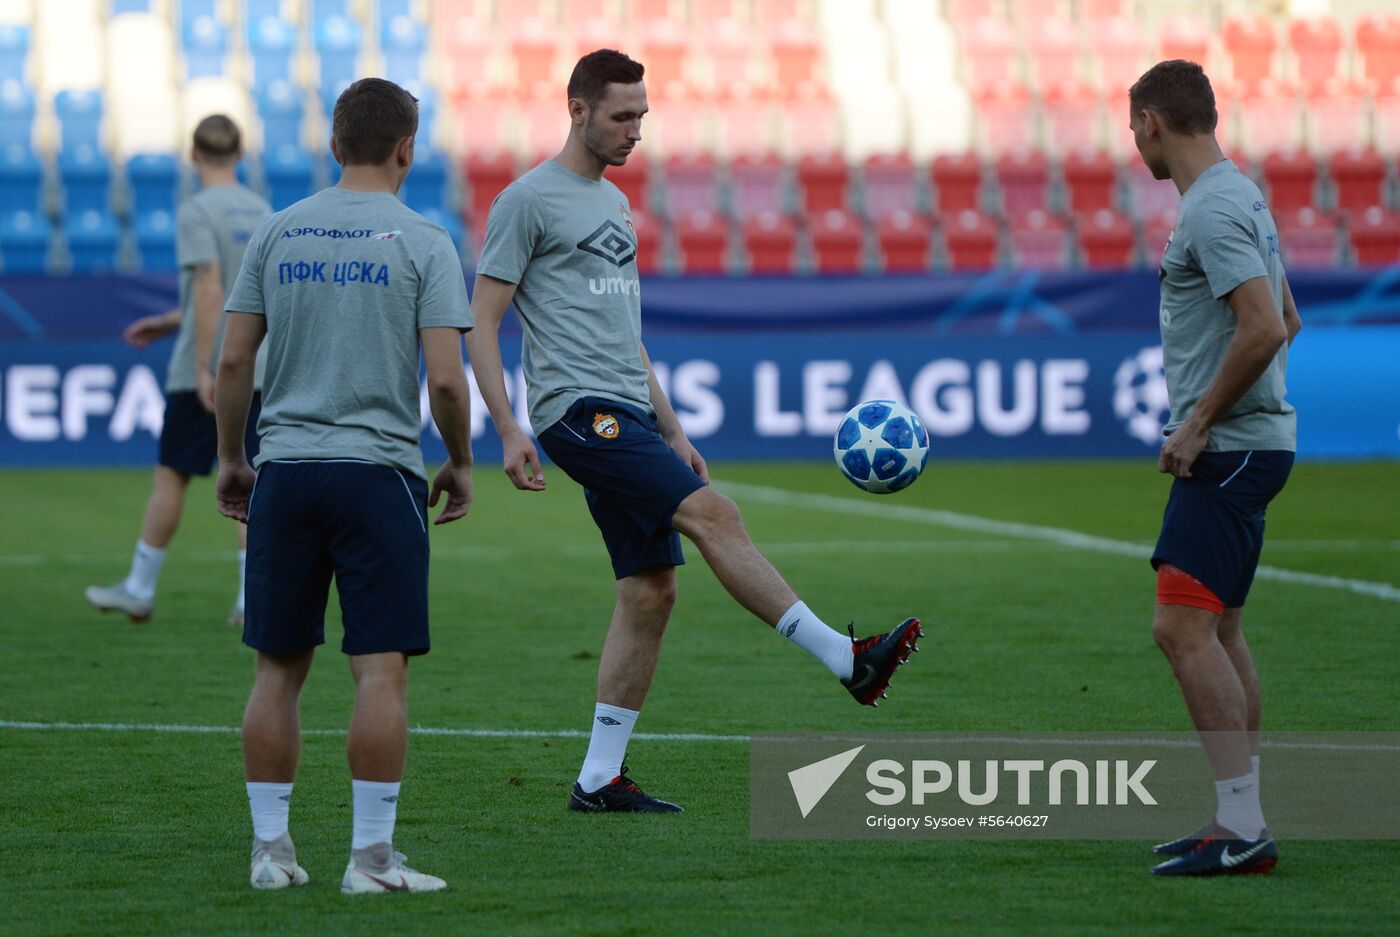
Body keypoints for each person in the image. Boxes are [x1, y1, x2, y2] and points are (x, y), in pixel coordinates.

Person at [467, 49, 923, 815]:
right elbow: (481, 320)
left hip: (628, 412)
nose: (635, 130)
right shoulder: (527, 200)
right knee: (716, 513)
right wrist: (508, 427)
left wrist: (672, 427)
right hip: (577, 412)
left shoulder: (614, 205)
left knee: (651, 590)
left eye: (642, 116)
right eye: (622, 116)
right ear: (577, 110)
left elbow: (626, 334)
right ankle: (848, 660)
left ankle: (598, 779)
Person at [215, 77, 474, 893]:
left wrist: (232, 457)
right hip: (378, 475)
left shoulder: (277, 230)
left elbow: (233, 360)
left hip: (286, 471)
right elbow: (447, 381)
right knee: (379, 669)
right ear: (407, 148)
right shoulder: (425, 239)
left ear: (333, 145)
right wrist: (461, 460)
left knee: (276, 670)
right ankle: (370, 860)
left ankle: (270, 851)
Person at [1127, 60, 1301, 877]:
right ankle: (1241, 814)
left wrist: (1200, 421)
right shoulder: (1241, 196)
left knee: (1180, 628)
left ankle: (1242, 825)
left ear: (1152, 122)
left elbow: (1265, 326)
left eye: (1134, 129)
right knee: (1221, 629)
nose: (1135, 145)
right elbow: (1287, 316)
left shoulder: (1213, 208)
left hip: (1228, 451)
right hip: (1250, 444)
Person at [85, 115, 270, 626]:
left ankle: (139, 588)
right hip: (260, 364)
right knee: (253, 481)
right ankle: (251, 598)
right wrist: (171, 320)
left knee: (171, 475)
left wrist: (205, 366)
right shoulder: (264, 212)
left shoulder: (196, 211)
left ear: (193, 155)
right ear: (240, 154)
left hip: (206, 370)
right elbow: (249, 294)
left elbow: (210, 288)